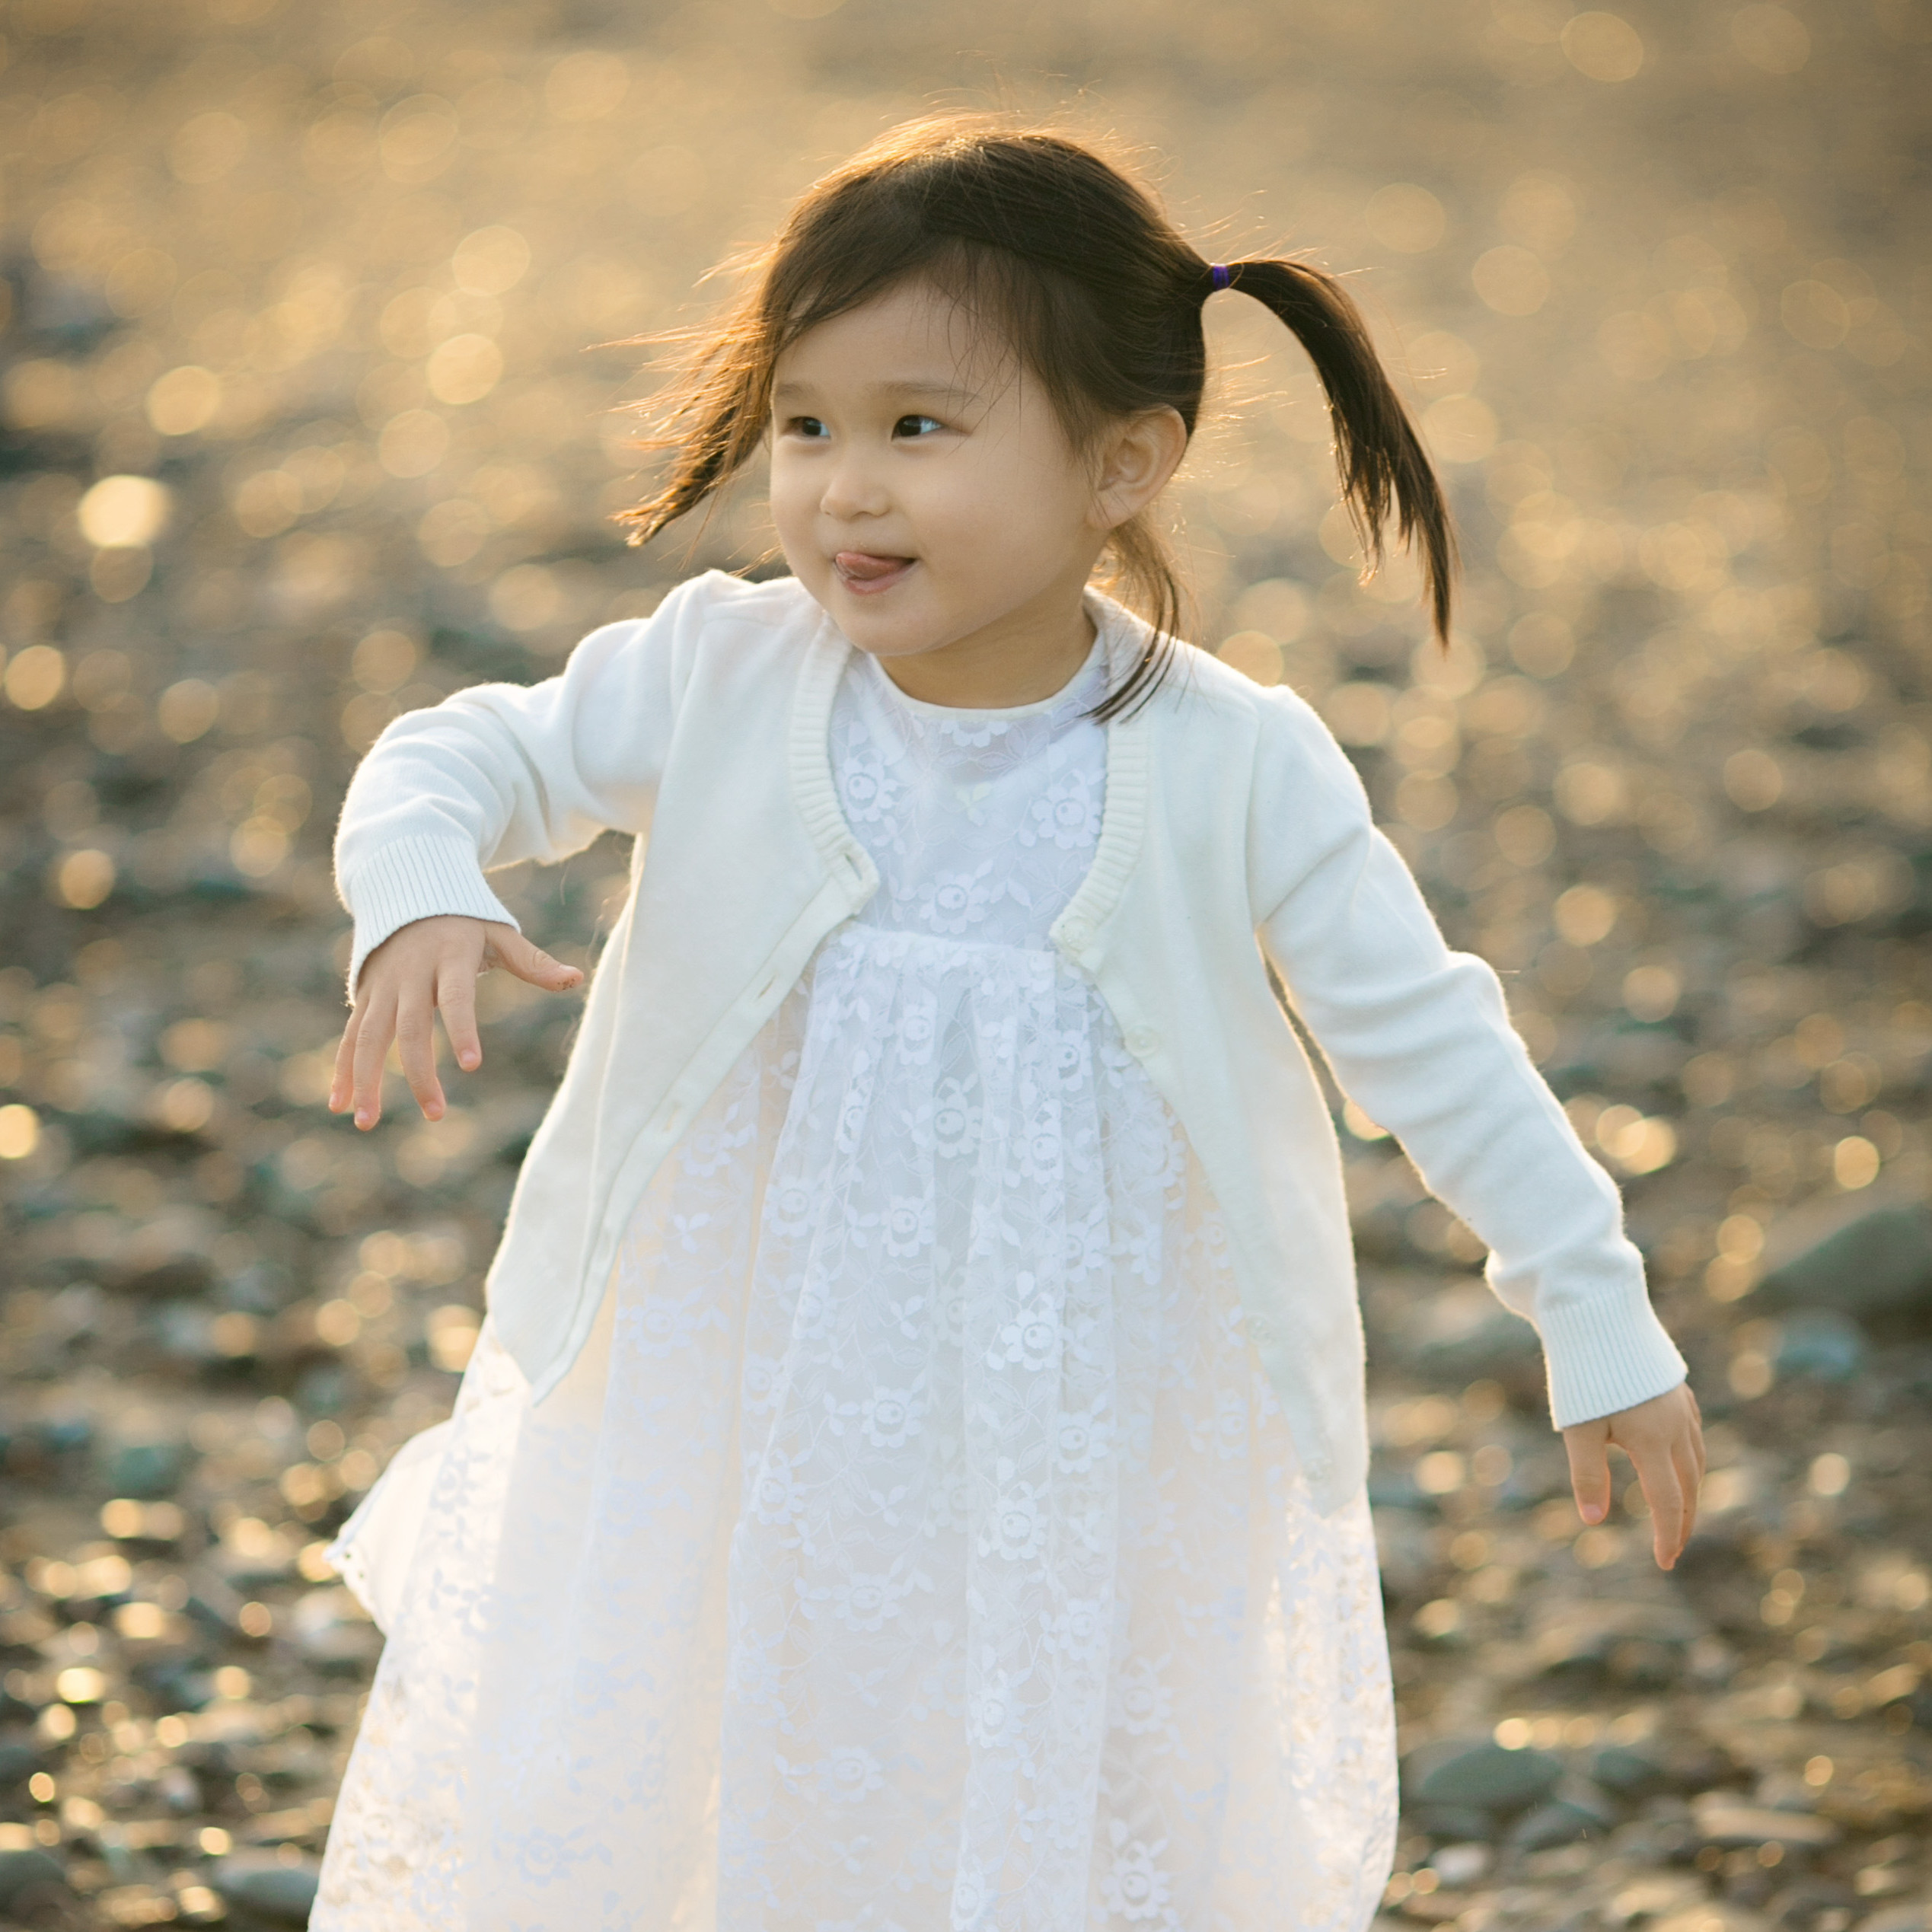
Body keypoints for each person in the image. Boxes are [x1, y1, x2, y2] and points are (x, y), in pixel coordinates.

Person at [311, 115, 1704, 1932]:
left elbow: (1429, 1042)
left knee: (1047, 1777)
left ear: (1123, 461)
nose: (842, 489)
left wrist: (1592, 1305)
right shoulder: (729, 672)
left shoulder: (1231, 763)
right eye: (804, 423)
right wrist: (419, 879)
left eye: (919, 427)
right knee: (718, 1751)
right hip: (726, 1388)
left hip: (1087, 1431)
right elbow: (462, 751)